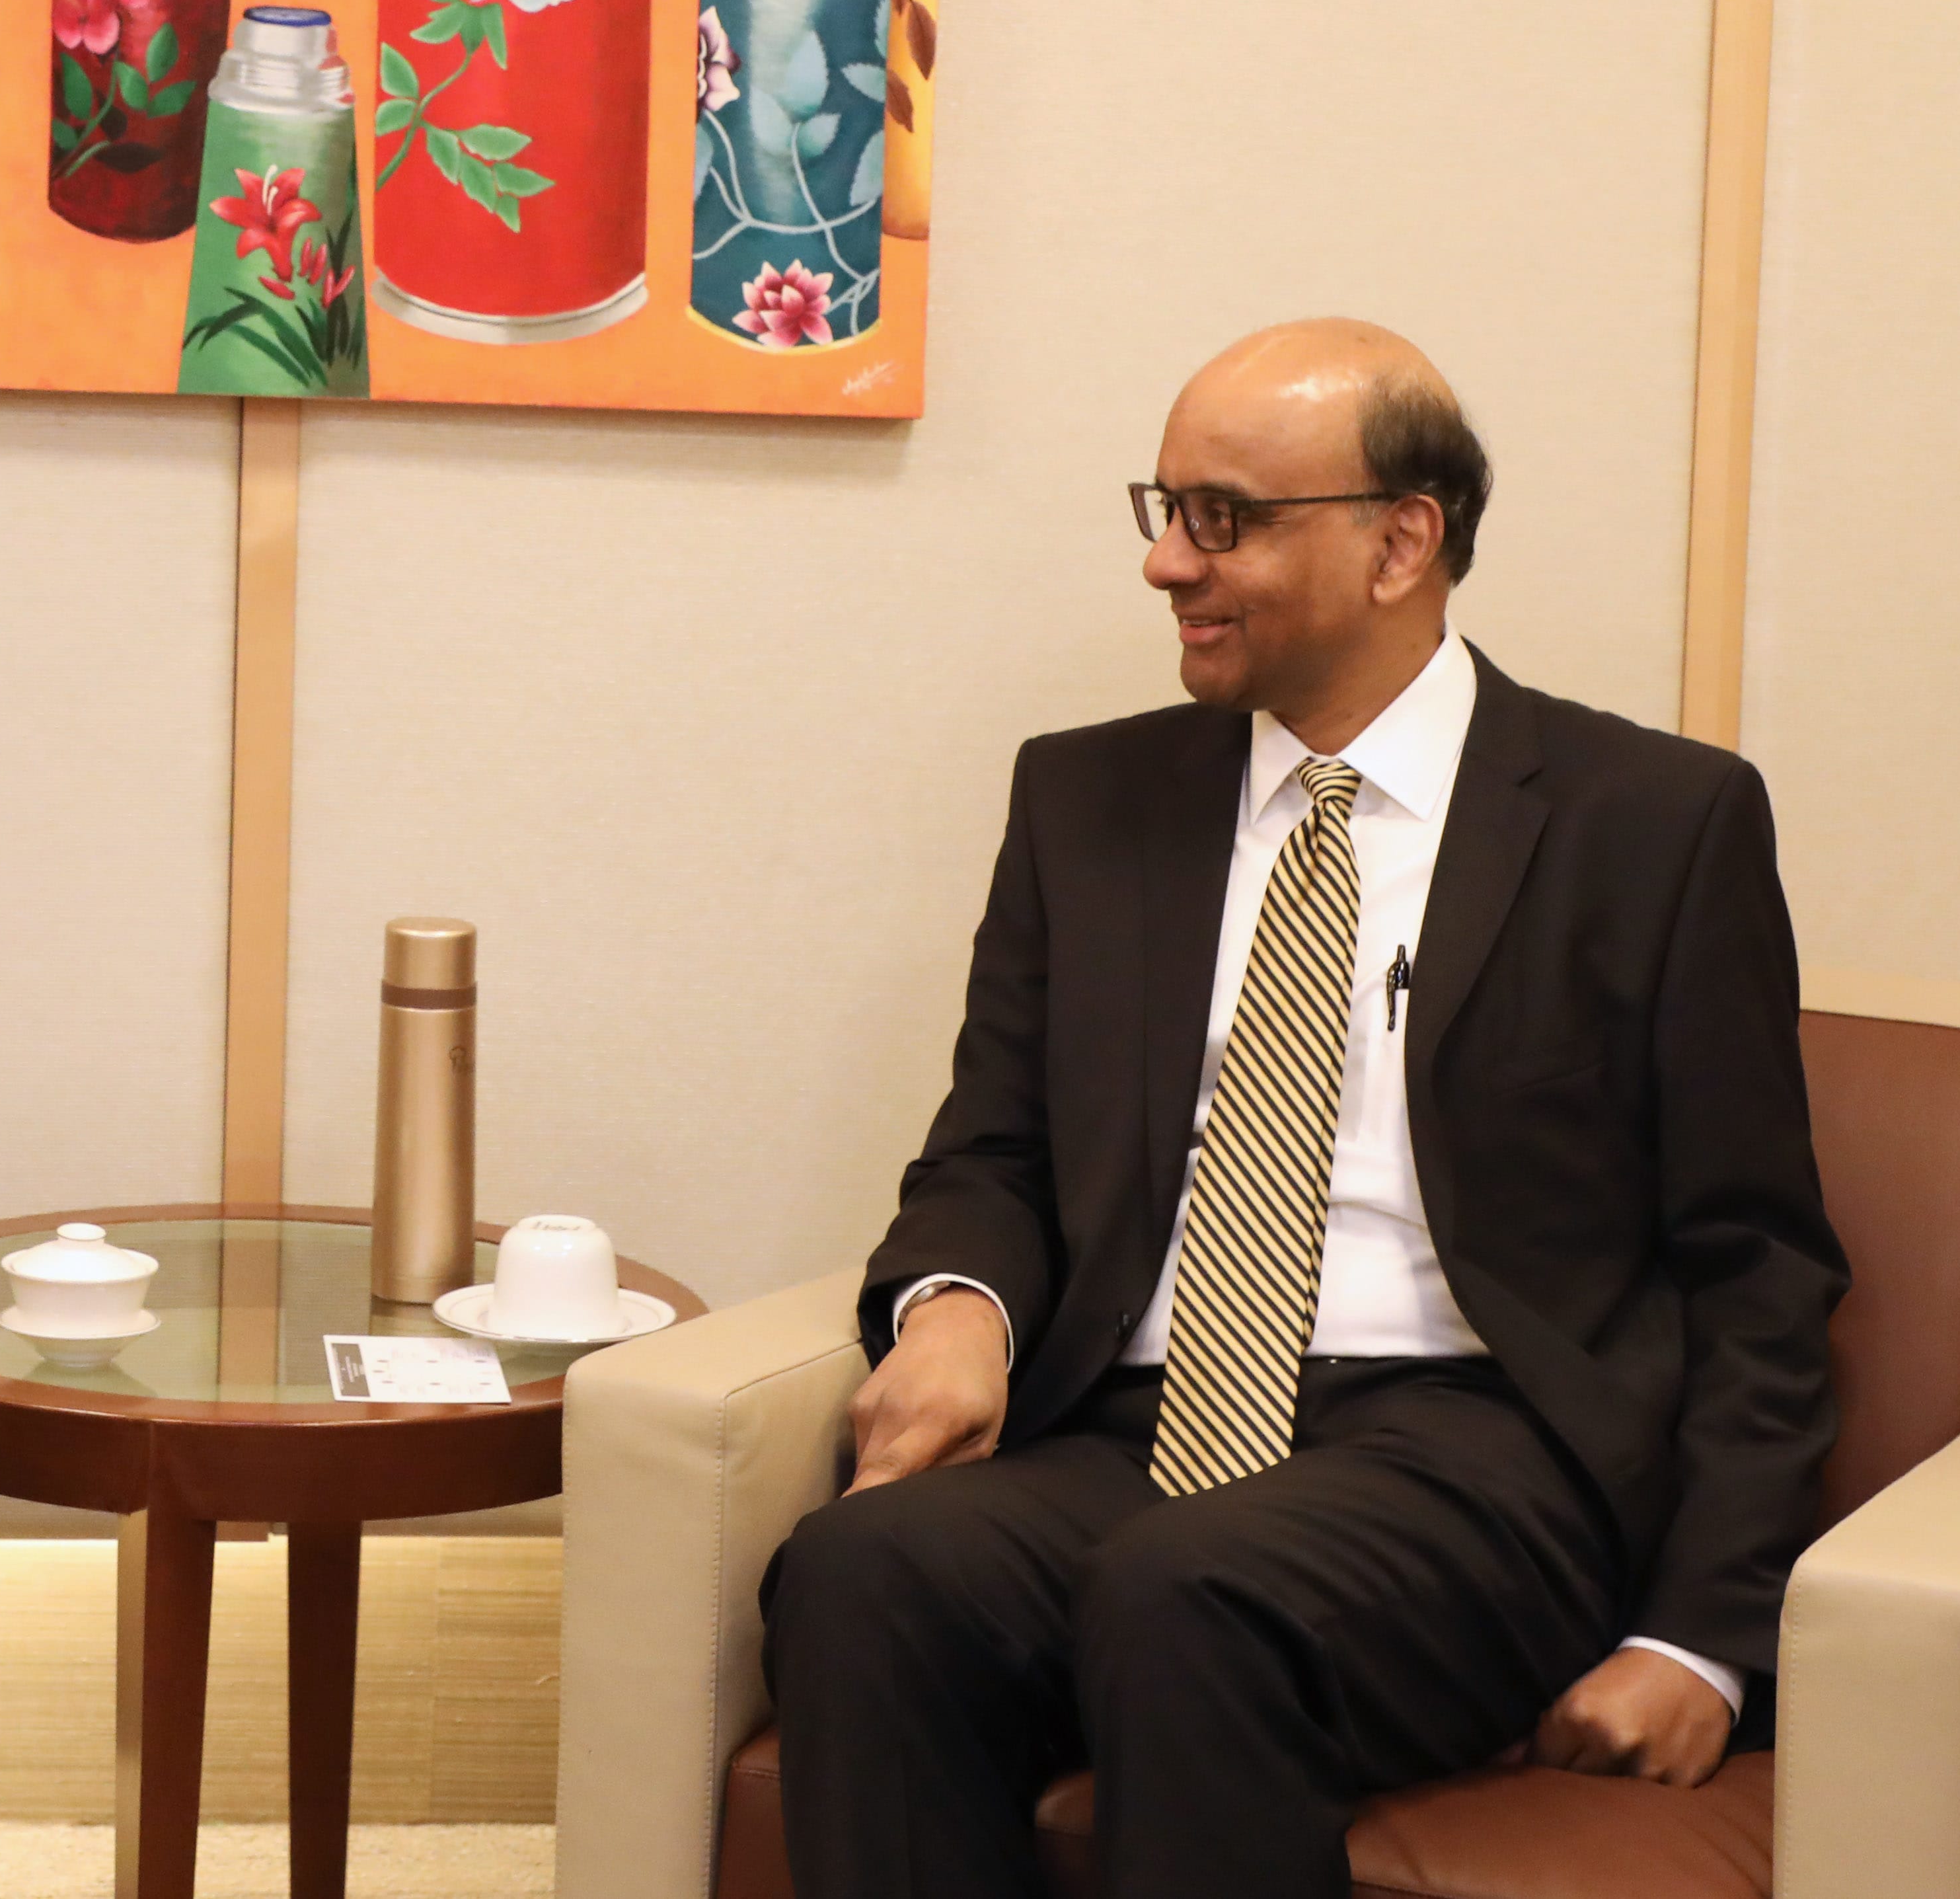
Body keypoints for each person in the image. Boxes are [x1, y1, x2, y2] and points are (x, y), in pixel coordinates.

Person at [760, 319, 1844, 1898]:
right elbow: (991, 1144)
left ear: (1400, 539)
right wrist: (955, 1305)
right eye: (1163, 508)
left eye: (1224, 517)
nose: (1164, 565)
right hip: (1138, 1430)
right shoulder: (1088, 801)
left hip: (1477, 1453)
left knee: (1189, 1589)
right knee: (862, 1572)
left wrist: (1702, 1636)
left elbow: (1754, 1265)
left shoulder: (1651, 825)